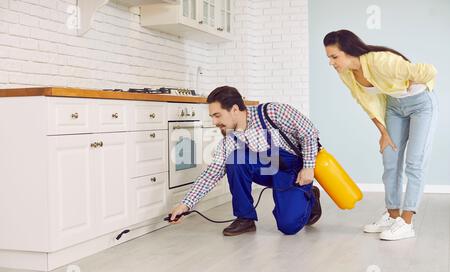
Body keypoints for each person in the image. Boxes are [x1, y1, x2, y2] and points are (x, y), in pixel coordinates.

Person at [324, 30, 438, 241]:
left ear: (349, 51)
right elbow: (363, 101)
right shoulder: (346, 73)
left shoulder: (381, 61)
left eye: (334, 56)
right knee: (390, 160)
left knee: (414, 162)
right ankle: (393, 216)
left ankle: (406, 222)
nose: (331, 62)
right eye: (329, 58)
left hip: (421, 105)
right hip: (394, 108)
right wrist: (383, 132)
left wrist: (414, 79)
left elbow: (429, 70)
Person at [169, 86, 322, 236]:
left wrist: (308, 167)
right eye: (212, 117)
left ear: (235, 109)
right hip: (269, 171)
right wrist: (185, 204)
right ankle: (245, 218)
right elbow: (212, 174)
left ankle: (311, 197)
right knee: (235, 160)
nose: (214, 122)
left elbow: (308, 132)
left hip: (294, 171)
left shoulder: (272, 112)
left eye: (217, 115)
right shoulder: (231, 138)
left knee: (289, 227)